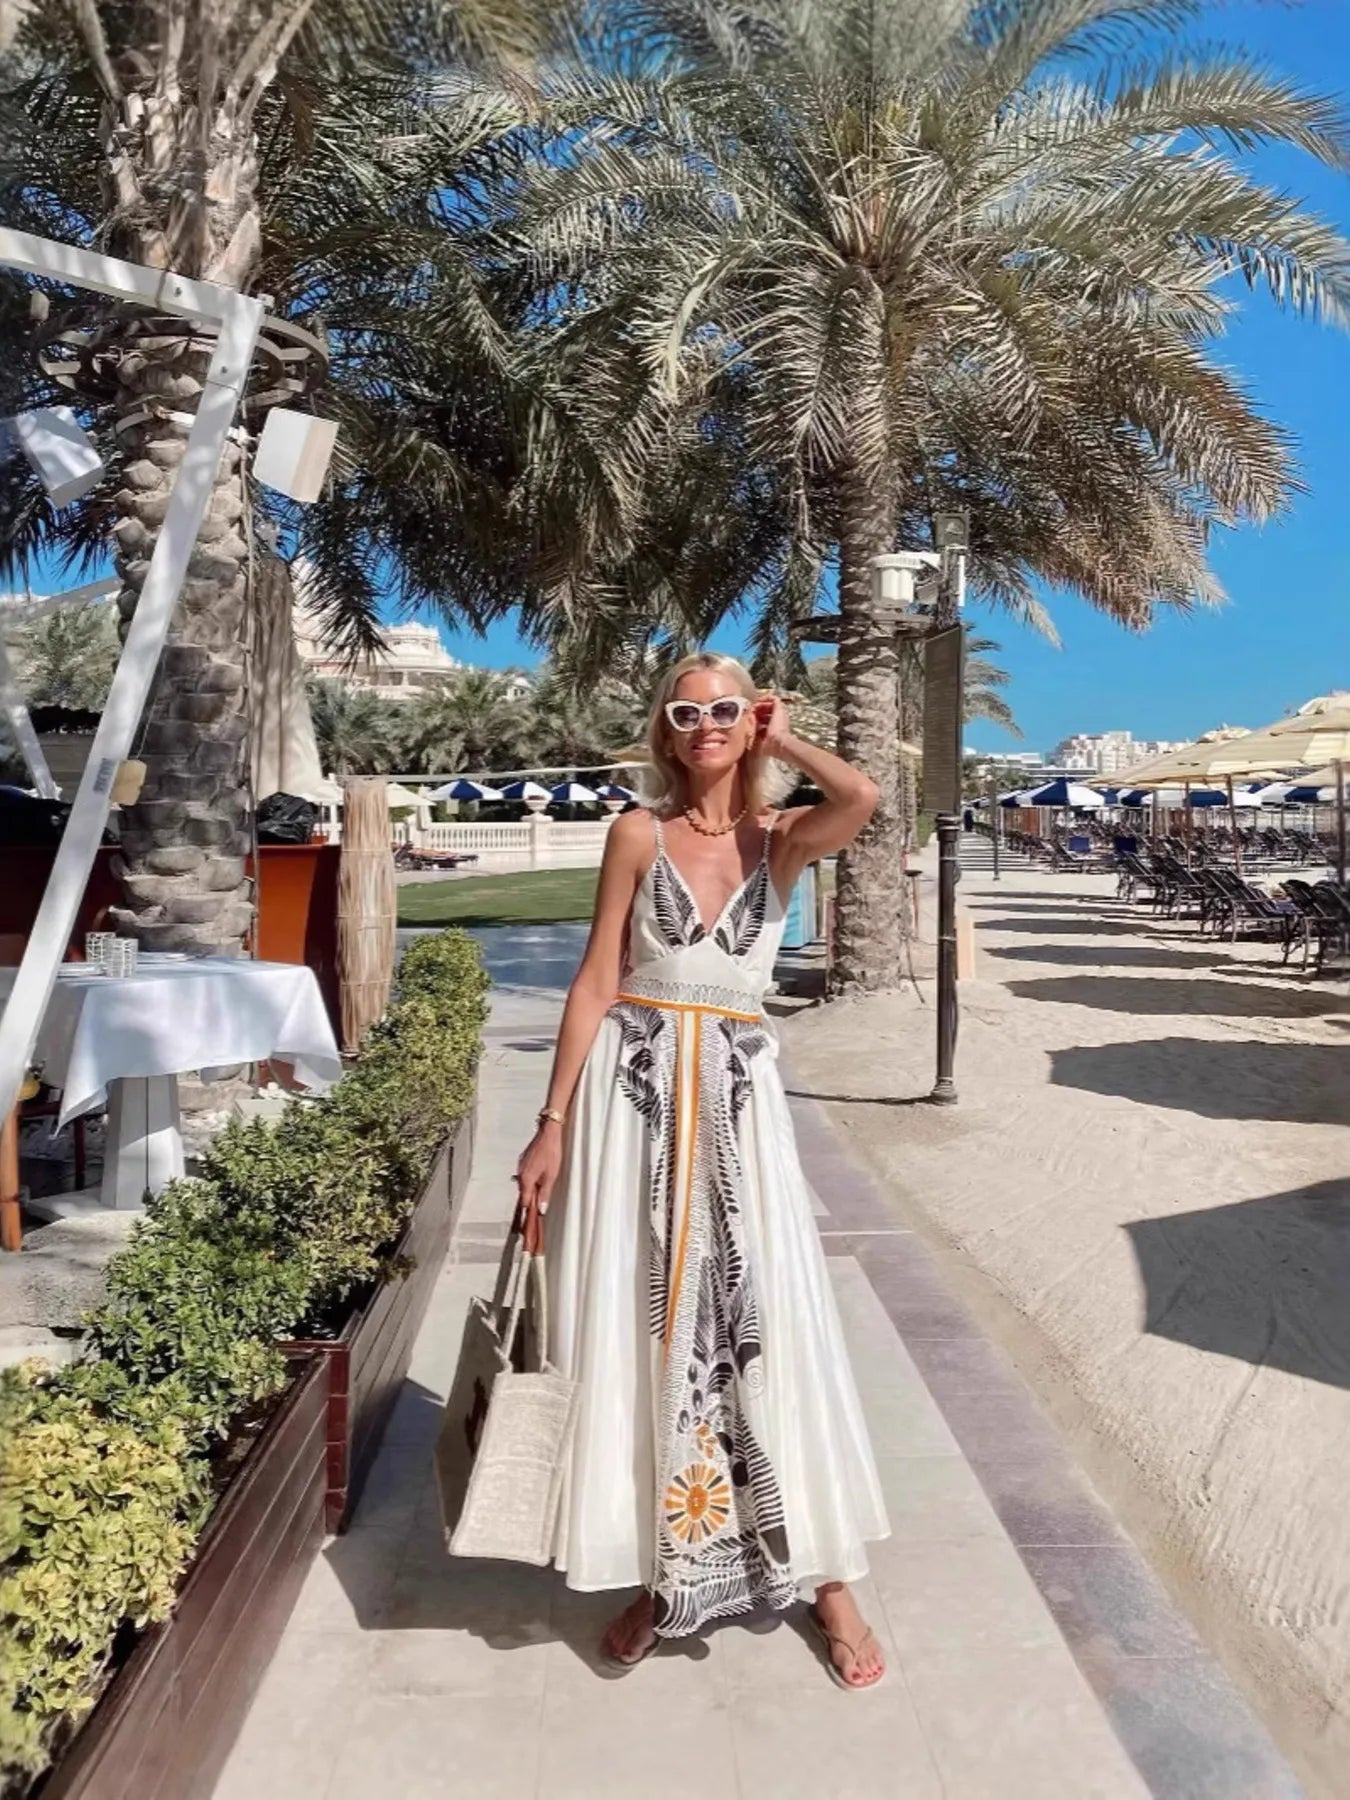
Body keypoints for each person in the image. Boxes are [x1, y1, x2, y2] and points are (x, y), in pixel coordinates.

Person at [515, 652, 891, 1688]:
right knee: (645, 1325)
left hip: (740, 1110)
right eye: (687, 714)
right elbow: (596, 979)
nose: (707, 725)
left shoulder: (783, 838)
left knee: (770, 1320)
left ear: (751, 719)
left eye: (726, 709)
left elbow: (862, 796)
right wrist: (550, 1124)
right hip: (632, 1104)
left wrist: (784, 738)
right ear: (666, 732)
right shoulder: (636, 833)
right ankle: (659, 1572)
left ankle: (826, 1576)